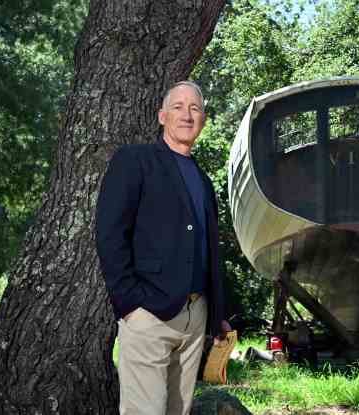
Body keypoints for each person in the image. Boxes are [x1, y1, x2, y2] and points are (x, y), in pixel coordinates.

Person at [96, 81, 231, 415]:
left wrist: (217, 314)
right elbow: (109, 234)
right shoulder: (135, 160)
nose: (187, 114)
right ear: (161, 116)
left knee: (177, 411)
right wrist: (129, 303)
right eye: (178, 107)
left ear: (203, 119)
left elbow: (207, 251)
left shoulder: (202, 178)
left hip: (195, 316)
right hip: (147, 313)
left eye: (195, 108)